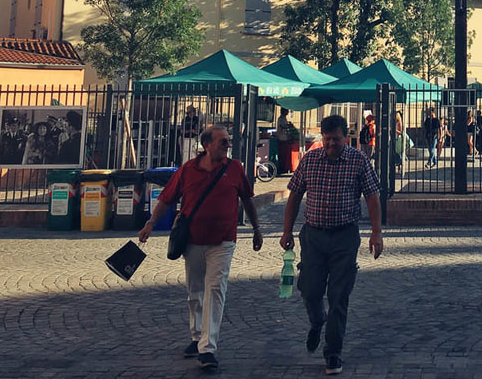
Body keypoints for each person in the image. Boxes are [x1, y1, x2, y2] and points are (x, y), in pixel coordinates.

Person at [139, 124, 262, 371]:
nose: (227, 145)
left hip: (224, 240)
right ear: (207, 145)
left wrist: (256, 229)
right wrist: (151, 223)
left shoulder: (235, 168)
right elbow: (166, 198)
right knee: (195, 290)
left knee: (215, 288)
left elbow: (247, 199)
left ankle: (208, 348)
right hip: (193, 239)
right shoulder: (188, 170)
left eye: (228, 141)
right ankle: (197, 336)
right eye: (222, 141)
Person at [281, 114, 383, 376]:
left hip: (344, 236)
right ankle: (317, 320)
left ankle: (333, 351)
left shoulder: (358, 160)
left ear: (345, 137)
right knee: (309, 290)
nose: (330, 144)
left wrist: (376, 233)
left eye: (335, 139)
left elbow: (372, 196)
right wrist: (287, 231)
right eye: (326, 139)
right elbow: (295, 196)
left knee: (339, 296)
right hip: (313, 236)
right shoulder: (311, 160)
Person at [275, 109, 297, 174]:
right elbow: (282, 126)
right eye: (286, 111)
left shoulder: (284, 118)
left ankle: (285, 167)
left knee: (285, 155)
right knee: (282, 154)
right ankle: (282, 168)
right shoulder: (280, 119)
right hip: (281, 138)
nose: (287, 112)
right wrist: (287, 126)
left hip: (285, 138)